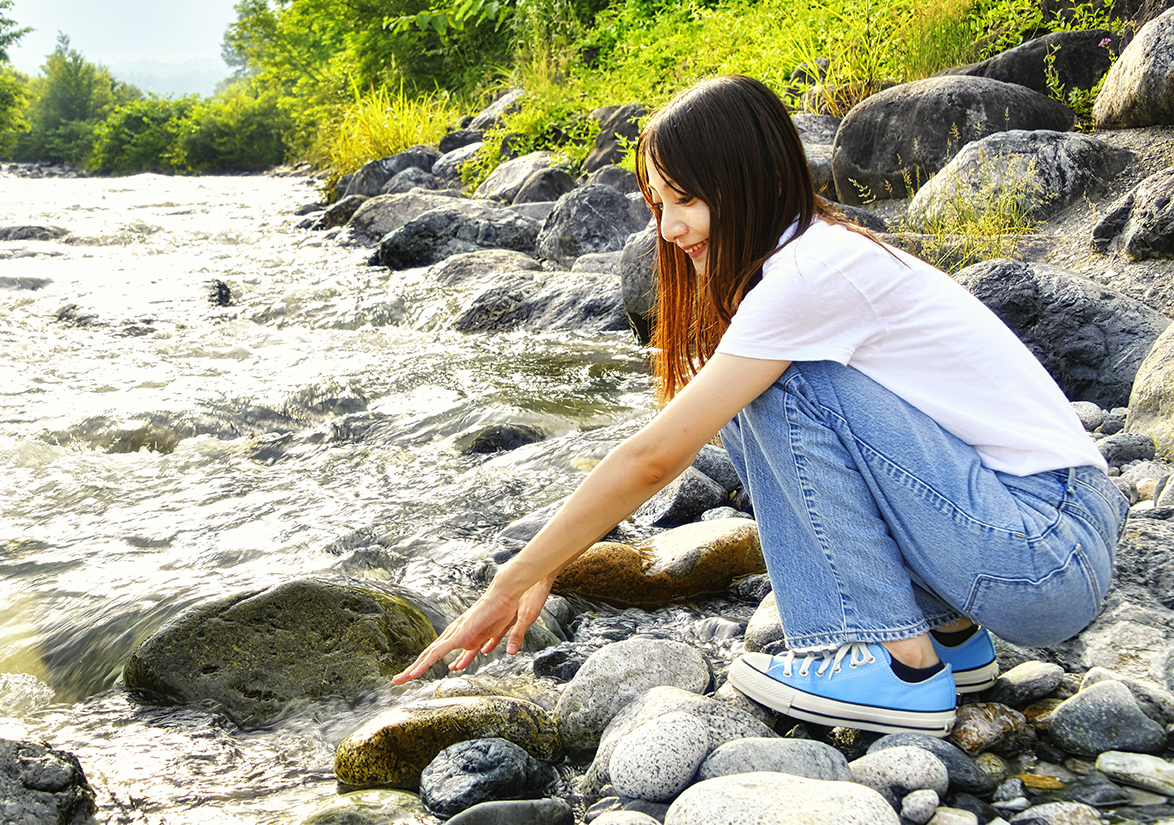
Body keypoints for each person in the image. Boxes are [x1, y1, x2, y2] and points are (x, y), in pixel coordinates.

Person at [393, 74, 1127, 735]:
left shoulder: (808, 274)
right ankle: (947, 637)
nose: (669, 228)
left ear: (748, 181)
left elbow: (655, 457)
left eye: (686, 200)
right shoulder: (818, 255)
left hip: (1040, 553)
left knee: (776, 389)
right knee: (751, 402)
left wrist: (522, 571)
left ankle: (897, 668)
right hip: (1043, 535)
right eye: (658, 203)